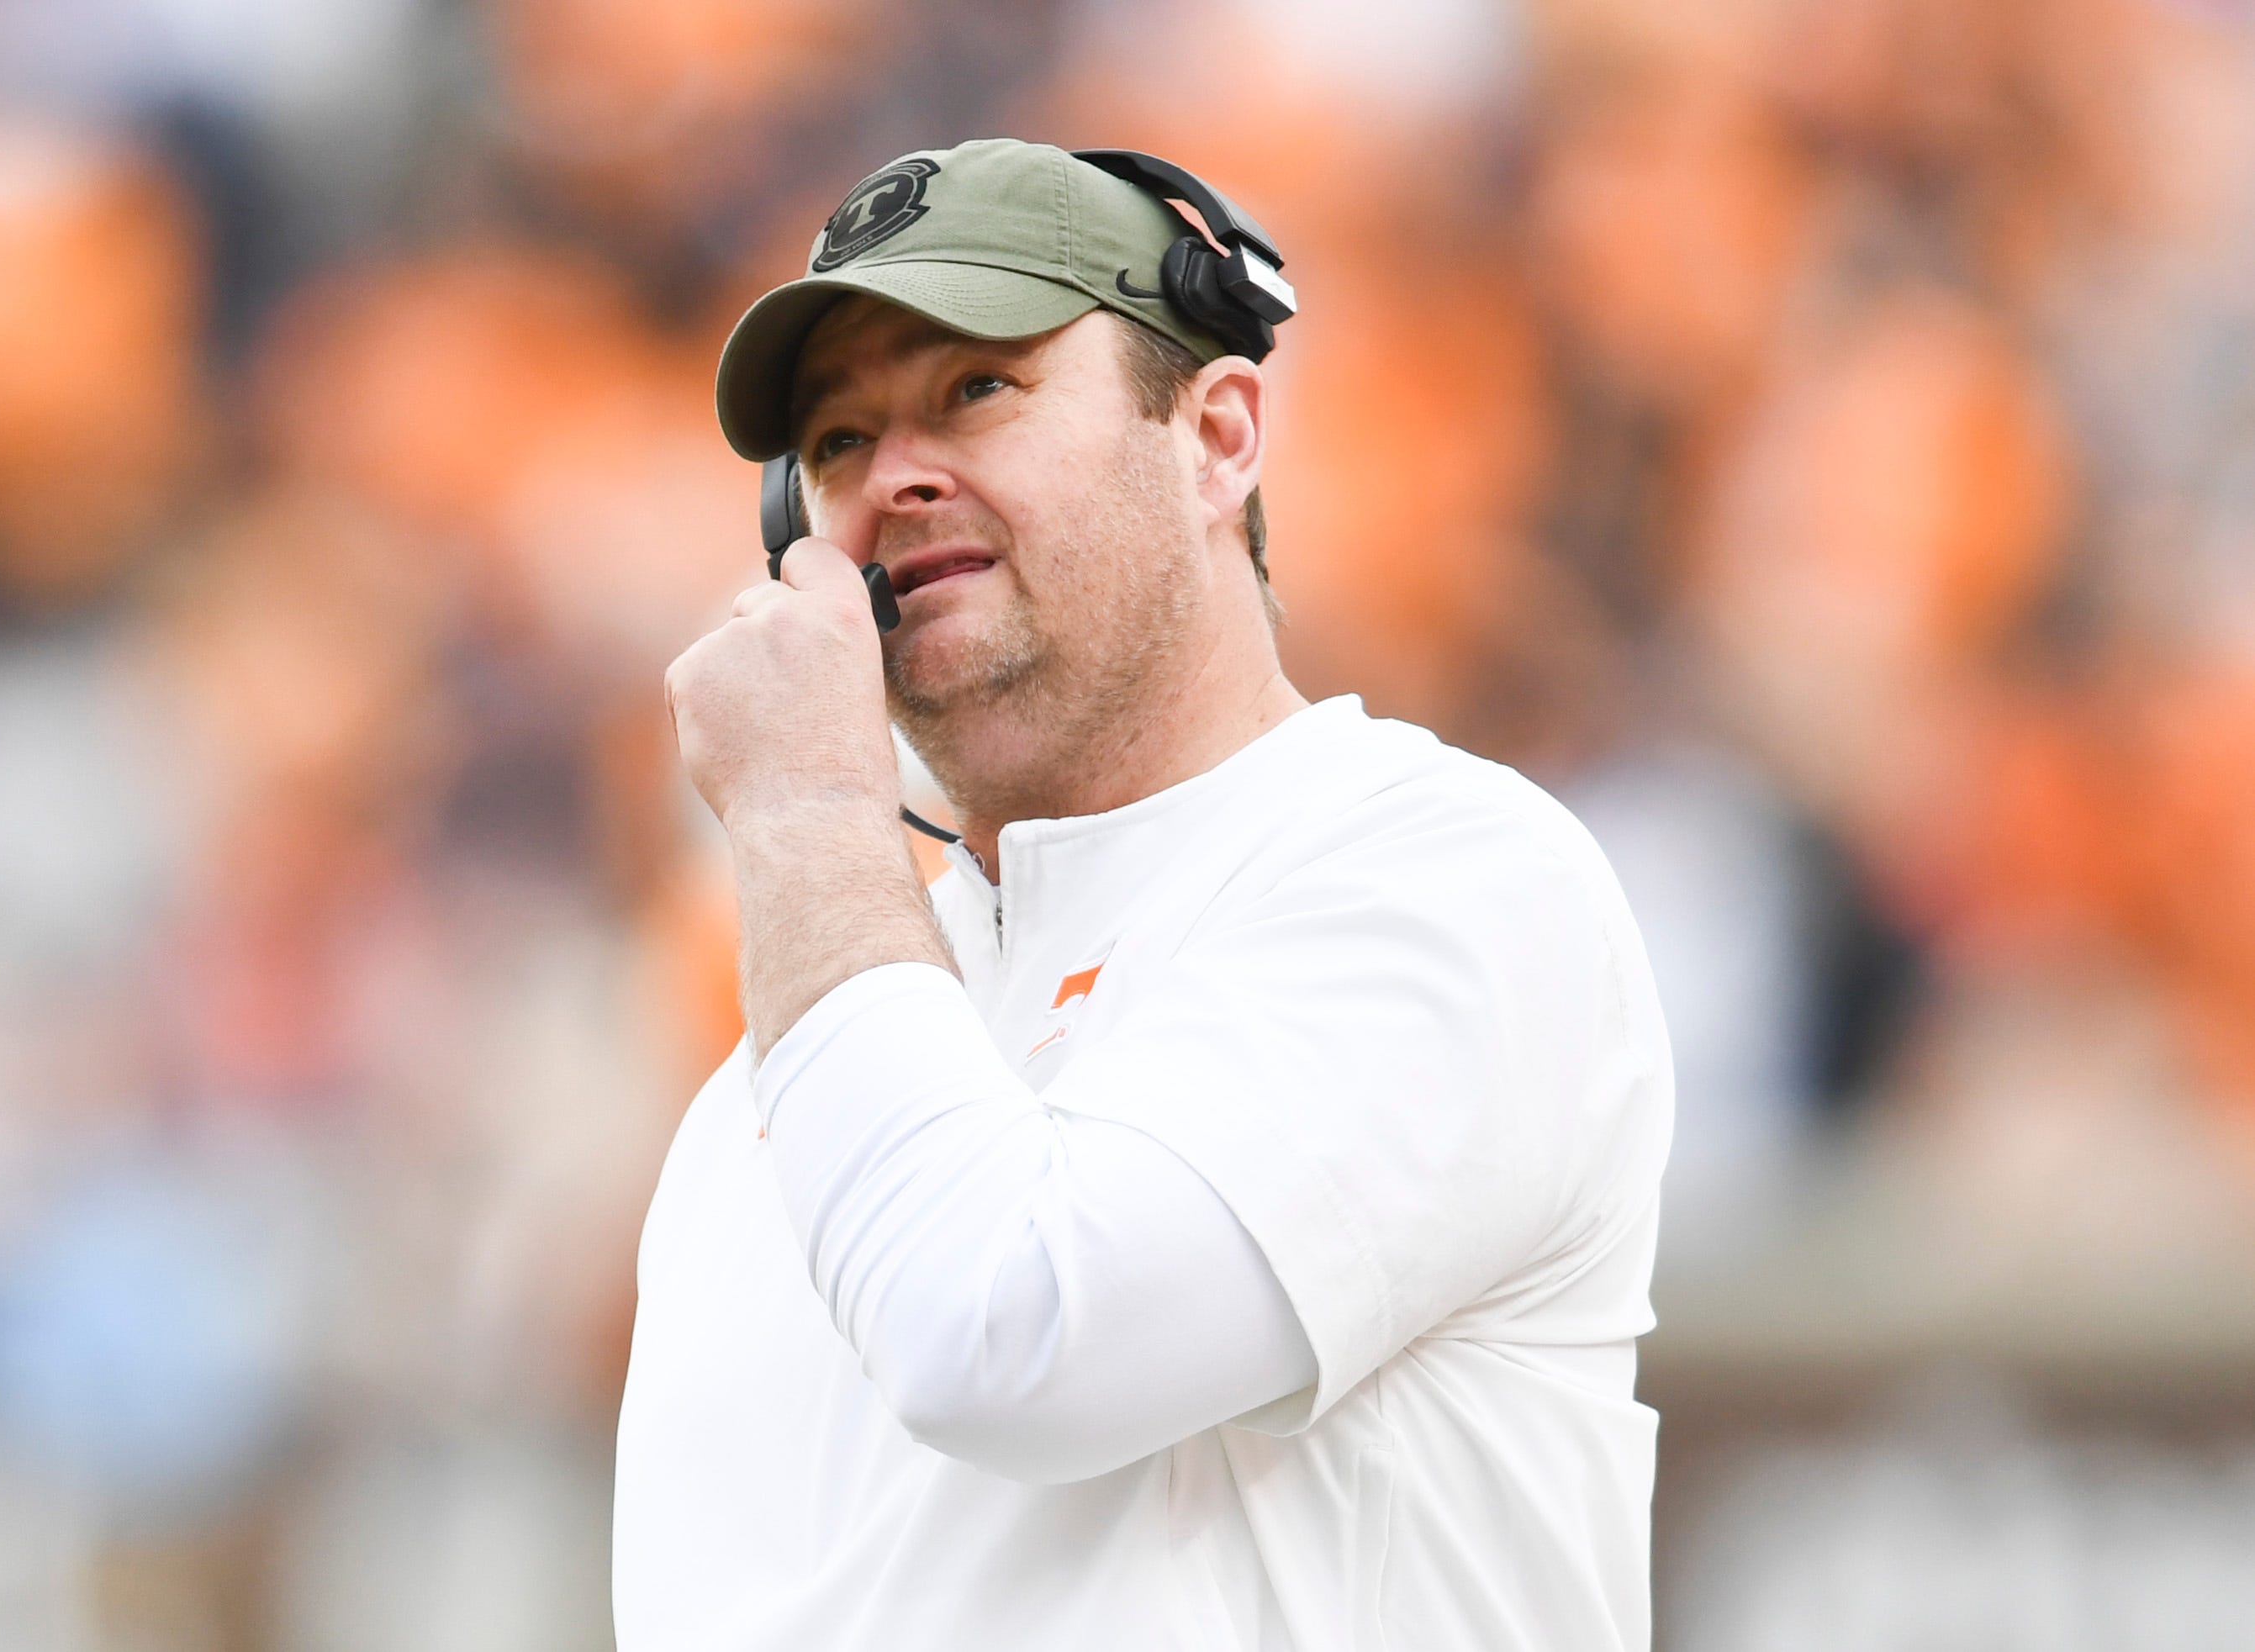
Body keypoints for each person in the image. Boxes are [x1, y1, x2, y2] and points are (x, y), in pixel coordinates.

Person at [615, 137, 1674, 1650]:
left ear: (1219, 433)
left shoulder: (1448, 874)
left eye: (980, 387)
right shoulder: (772, 1088)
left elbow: (1011, 1337)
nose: (895, 474)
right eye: (838, 441)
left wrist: (805, 807)